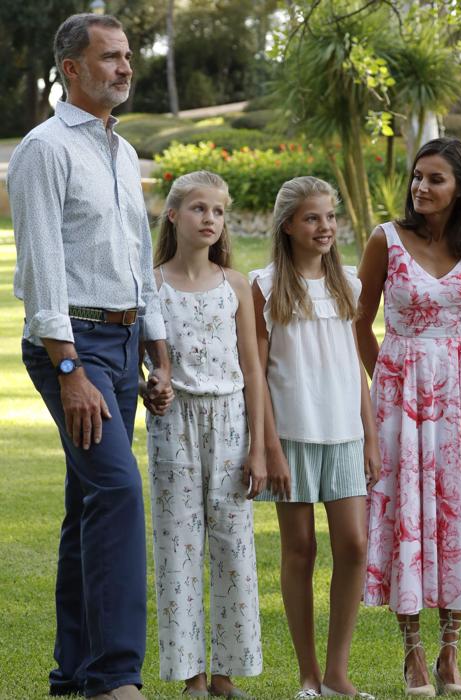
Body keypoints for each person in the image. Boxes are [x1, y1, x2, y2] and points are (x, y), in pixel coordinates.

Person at [7, 13, 172, 700]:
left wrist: (159, 352)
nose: (125, 67)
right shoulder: (44, 149)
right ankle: (114, 676)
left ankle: (73, 673)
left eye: (128, 56)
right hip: (72, 346)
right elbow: (43, 264)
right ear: (71, 69)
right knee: (118, 490)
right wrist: (71, 368)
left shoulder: (122, 151)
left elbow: (138, 259)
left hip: (125, 341)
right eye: (109, 58)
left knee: (88, 502)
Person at [356, 137, 461, 697]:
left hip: (459, 403)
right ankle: (414, 655)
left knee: (456, 517)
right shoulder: (386, 240)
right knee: (407, 516)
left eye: (435, 179)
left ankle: (451, 656)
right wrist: (388, 384)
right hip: (399, 402)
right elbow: (360, 322)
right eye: (417, 177)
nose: (421, 187)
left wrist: (450, 378)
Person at [250, 176, 380, 700]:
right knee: (299, 549)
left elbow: (354, 366)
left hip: (345, 433)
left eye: (329, 217)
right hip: (293, 436)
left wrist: (370, 436)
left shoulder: (349, 282)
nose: (325, 227)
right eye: (312, 218)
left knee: (354, 544)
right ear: (287, 226)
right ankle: (308, 677)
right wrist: (271, 446)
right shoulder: (263, 287)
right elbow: (256, 373)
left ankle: (337, 674)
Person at [142, 170, 265, 698]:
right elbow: (144, 361)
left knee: (233, 546)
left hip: (232, 421)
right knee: (177, 547)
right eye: (198, 209)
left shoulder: (235, 284)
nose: (209, 219)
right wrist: (152, 387)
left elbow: (254, 369)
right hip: (175, 425)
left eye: (217, 211)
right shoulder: (150, 283)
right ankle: (191, 675)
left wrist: (259, 446)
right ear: (173, 215)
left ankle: (225, 675)